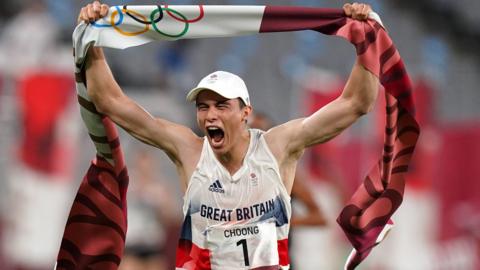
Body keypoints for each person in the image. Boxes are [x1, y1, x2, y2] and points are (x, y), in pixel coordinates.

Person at [78, 2, 379, 269]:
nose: (210, 115)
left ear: (245, 112)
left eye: (221, 105)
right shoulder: (189, 150)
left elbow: (356, 103)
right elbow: (111, 101)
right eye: (203, 106)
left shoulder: (277, 147)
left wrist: (364, 41)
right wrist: (94, 39)